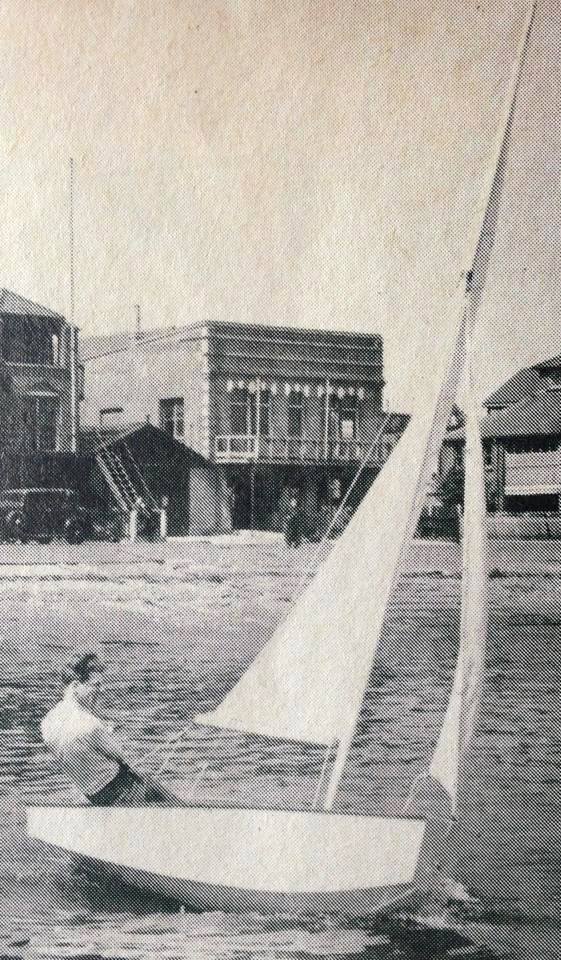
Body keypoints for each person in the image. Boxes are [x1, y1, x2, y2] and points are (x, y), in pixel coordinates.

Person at [41, 653, 177, 806]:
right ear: (75, 686)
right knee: (150, 783)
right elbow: (123, 757)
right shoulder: (90, 724)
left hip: (93, 796)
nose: (100, 690)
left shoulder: (47, 723)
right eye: (96, 685)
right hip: (121, 791)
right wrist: (110, 732)